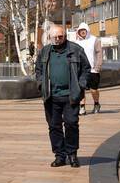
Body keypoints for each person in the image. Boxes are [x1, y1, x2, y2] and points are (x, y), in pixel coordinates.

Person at [34, 23, 91, 168]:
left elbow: (86, 69)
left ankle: (72, 154)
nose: (58, 39)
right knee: (54, 126)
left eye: (61, 36)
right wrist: (40, 83)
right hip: (51, 96)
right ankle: (59, 155)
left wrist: (81, 85)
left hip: (70, 95)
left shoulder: (76, 50)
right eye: (55, 37)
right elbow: (38, 70)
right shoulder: (45, 52)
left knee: (71, 124)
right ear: (50, 37)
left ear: (65, 36)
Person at [73, 22, 104, 114]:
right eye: (80, 31)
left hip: (93, 69)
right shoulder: (76, 43)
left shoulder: (95, 40)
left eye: (84, 30)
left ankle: (96, 103)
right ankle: (82, 107)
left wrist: (98, 66)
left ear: (87, 31)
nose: (82, 32)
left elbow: (99, 53)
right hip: (81, 70)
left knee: (93, 90)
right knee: (81, 89)